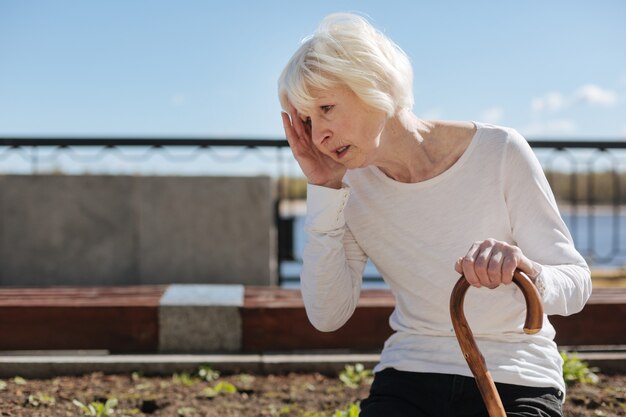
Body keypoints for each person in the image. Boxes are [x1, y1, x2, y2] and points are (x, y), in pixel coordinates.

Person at [277, 12, 591, 417]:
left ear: (371, 82)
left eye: (326, 108)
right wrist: (323, 190)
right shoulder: (347, 187)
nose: (318, 134)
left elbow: (577, 282)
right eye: (307, 121)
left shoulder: (499, 151)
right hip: (410, 371)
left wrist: (528, 271)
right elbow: (327, 315)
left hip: (515, 372)